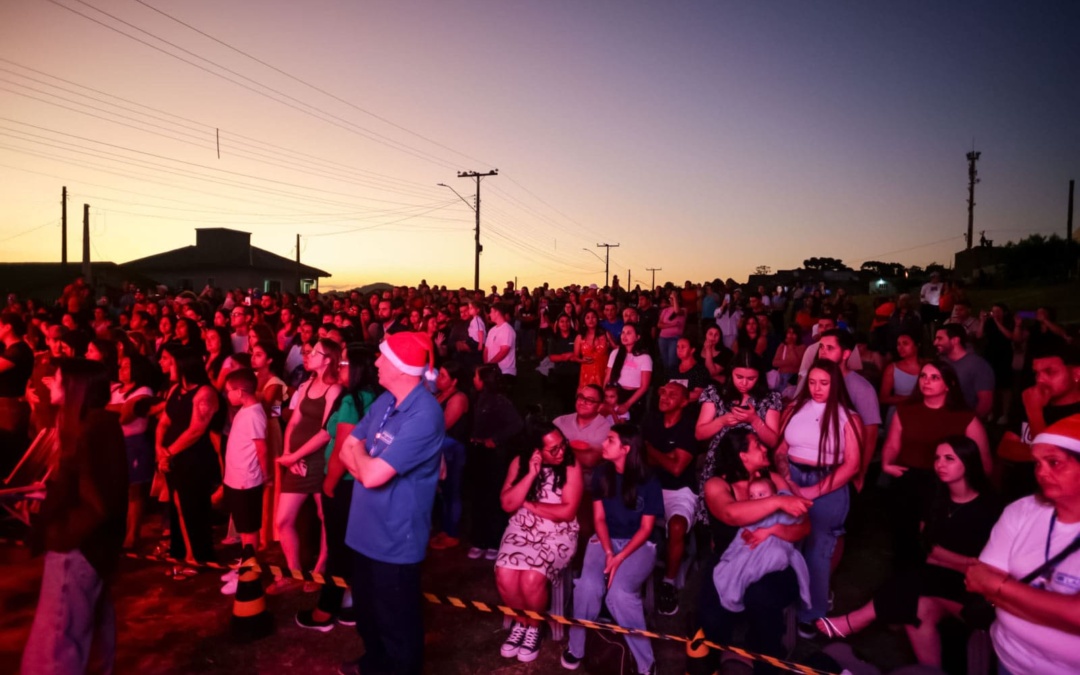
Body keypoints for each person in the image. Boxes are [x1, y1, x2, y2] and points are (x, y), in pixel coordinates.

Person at [818, 436, 1001, 667]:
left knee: (914, 579)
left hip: (976, 591)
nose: (939, 464)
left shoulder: (989, 507)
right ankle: (931, 671)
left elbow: (985, 568)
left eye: (949, 459)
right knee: (916, 607)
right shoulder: (936, 497)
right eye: (937, 458)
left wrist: (947, 560)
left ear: (968, 462)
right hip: (938, 580)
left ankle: (856, 620)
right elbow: (926, 545)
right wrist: (953, 560)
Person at [338, 331, 445, 675]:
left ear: (401, 368)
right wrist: (363, 459)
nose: (377, 363)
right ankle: (374, 664)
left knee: (397, 624)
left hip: (395, 540)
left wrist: (362, 458)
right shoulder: (386, 401)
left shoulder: (425, 414)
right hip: (364, 532)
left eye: (383, 357)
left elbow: (369, 476)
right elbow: (345, 450)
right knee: (368, 615)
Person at [22, 359, 128, 675]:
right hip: (91, 552)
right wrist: (53, 495)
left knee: (56, 646)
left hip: (77, 554)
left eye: (56, 378)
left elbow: (96, 504)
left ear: (75, 388)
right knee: (88, 636)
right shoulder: (96, 425)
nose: (49, 384)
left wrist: (60, 534)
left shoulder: (93, 430)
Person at [965, 416, 1080, 675]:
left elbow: (991, 583)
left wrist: (1000, 587)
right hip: (1009, 657)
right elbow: (980, 582)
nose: (1041, 472)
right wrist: (1064, 616)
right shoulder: (1023, 510)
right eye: (1037, 463)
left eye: (1054, 462)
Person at [697, 428, 811, 674]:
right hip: (730, 560)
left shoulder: (774, 480)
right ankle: (724, 659)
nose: (764, 448)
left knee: (761, 598)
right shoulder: (717, 484)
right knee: (710, 616)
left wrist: (777, 529)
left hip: (774, 559)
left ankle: (767, 663)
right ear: (742, 456)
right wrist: (779, 501)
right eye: (757, 444)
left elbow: (804, 526)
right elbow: (730, 514)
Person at [562, 424, 663, 675]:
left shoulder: (649, 480)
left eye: (610, 440)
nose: (603, 444)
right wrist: (609, 552)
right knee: (587, 587)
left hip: (640, 544)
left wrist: (620, 557)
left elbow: (646, 528)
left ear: (626, 449)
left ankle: (645, 664)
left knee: (619, 595)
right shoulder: (600, 474)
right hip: (605, 539)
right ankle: (577, 648)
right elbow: (599, 520)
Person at [774, 359, 861, 635]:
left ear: (835, 383)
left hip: (828, 481)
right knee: (784, 543)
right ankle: (779, 603)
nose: (817, 388)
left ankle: (811, 613)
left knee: (818, 548)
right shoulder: (795, 408)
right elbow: (780, 450)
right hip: (793, 476)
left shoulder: (848, 416)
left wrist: (814, 490)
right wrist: (787, 479)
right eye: (812, 382)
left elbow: (852, 464)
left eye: (824, 383)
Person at [297, 343, 380, 630]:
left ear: (357, 369)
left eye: (344, 364)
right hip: (361, 483)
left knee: (338, 549)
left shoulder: (351, 401)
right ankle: (357, 604)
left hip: (342, 484)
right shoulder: (375, 397)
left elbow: (344, 448)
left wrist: (329, 486)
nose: (339, 368)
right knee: (357, 547)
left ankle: (325, 612)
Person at [882, 360, 991, 570]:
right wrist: (887, 464)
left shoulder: (965, 418)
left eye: (934, 378)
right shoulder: (906, 410)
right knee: (904, 537)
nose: (926, 382)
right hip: (909, 478)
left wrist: (972, 493)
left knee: (936, 540)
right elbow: (893, 444)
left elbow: (983, 461)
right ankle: (902, 579)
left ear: (948, 384)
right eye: (923, 376)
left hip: (945, 484)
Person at [496, 421, 583, 662]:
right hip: (521, 529)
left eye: (562, 444)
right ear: (536, 451)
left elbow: (567, 512)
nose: (561, 451)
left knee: (532, 576)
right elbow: (506, 505)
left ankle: (535, 628)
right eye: (553, 449)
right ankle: (521, 623)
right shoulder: (520, 464)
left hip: (558, 533)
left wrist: (527, 504)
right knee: (505, 572)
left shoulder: (571, 465)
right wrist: (532, 475)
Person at [271, 337, 342, 594]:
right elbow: (293, 422)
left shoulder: (334, 389)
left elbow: (326, 432)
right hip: (298, 459)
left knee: (325, 516)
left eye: (315, 353)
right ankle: (293, 570)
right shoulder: (307, 384)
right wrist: (289, 453)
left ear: (327, 360)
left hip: (318, 458)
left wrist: (295, 456)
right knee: (283, 519)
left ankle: (321, 568)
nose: (308, 355)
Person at [695, 351, 783, 522]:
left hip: (755, 465)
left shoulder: (770, 398)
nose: (744, 383)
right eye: (739, 377)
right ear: (731, 372)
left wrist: (754, 420)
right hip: (720, 463)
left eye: (751, 379)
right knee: (720, 512)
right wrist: (722, 421)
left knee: (758, 513)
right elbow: (699, 433)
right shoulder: (716, 393)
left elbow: (772, 440)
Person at [156, 344, 222, 572]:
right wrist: (159, 449)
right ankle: (182, 550)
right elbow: (164, 421)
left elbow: (196, 429)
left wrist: (169, 452)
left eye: (169, 361)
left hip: (194, 459)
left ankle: (197, 555)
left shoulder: (205, 392)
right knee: (177, 504)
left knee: (192, 505)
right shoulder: (175, 390)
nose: (165, 365)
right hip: (172, 458)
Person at [712, 477, 811, 613]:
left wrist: (770, 530)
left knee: (777, 553)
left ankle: (747, 578)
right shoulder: (752, 511)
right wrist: (748, 535)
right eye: (752, 496)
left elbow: (799, 521)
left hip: (777, 545)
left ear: (773, 495)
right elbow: (745, 530)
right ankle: (740, 582)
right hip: (755, 548)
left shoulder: (779, 507)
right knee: (740, 561)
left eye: (761, 495)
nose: (757, 499)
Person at [643, 382, 699, 616]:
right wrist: (665, 457)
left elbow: (677, 469)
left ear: (685, 402)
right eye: (663, 391)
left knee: (676, 525)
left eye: (672, 394)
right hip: (651, 485)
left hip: (680, 490)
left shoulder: (689, 428)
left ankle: (668, 582)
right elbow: (641, 458)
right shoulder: (651, 421)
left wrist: (651, 450)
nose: (664, 396)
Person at [1001, 344, 1080, 501]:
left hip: (1058, 504)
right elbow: (1005, 448)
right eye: (1036, 373)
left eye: (1049, 372)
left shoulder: (1033, 403)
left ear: (1076, 374)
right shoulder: (1030, 398)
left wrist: (1034, 412)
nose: (1040, 380)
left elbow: (1049, 460)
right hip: (1018, 497)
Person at [218, 368, 270, 595]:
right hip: (236, 478)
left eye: (229, 391)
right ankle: (243, 566)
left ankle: (248, 575)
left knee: (249, 530)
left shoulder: (255, 414)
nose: (227, 395)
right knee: (243, 528)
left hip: (246, 481)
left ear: (240, 391)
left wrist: (266, 475)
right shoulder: (244, 410)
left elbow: (262, 449)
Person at [468, 364, 524, 560]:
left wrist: (496, 439)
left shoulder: (500, 402)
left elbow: (517, 424)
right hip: (477, 453)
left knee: (492, 498)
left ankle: (493, 542)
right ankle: (479, 541)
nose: (473, 380)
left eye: (476, 376)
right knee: (478, 498)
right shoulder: (477, 398)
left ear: (484, 380)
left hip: (493, 457)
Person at [817, 329, 881, 490]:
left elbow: (870, 434)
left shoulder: (862, 388)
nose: (823, 352)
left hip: (845, 465)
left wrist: (861, 472)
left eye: (830, 348)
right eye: (821, 347)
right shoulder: (814, 381)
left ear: (846, 354)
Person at [107, 354, 156, 549]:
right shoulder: (116, 389)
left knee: (134, 490)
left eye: (127, 366)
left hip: (134, 443)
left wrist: (110, 408)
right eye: (121, 366)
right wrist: (117, 407)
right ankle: (119, 531)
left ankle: (133, 534)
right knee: (117, 490)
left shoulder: (144, 390)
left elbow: (128, 415)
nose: (122, 370)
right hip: (115, 442)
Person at [430, 360, 470, 550]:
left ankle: (452, 533)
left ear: (454, 381)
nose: (438, 378)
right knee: (443, 492)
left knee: (452, 491)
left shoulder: (458, 398)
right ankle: (445, 530)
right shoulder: (440, 394)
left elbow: (443, 425)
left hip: (454, 451)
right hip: (441, 449)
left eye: (443, 376)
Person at [933, 324, 994, 419]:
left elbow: (985, 403)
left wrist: (968, 423)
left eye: (940, 339)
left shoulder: (978, 365)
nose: (935, 343)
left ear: (955, 340)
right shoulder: (942, 362)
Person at [0, 310, 33, 474]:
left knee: (9, 448)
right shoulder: (12, 350)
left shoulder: (18, 351)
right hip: (7, 407)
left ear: (7, 327)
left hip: (10, 408)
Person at [605, 323, 653, 422]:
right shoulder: (615, 353)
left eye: (629, 333)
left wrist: (627, 404)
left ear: (637, 337)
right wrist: (603, 396)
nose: (624, 336)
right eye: (623, 332)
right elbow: (607, 377)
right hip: (615, 394)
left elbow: (644, 386)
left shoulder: (644, 357)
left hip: (634, 397)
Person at [879, 329, 920, 431]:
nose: (900, 348)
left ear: (916, 345)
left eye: (905, 343)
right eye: (898, 344)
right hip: (899, 414)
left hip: (921, 414)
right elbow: (883, 398)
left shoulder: (928, 366)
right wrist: (912, 398)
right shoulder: (892, 368)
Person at [574, 309, 610, 390]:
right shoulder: (579, 337)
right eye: (587, 317)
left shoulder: (606, 334)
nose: (591, 320)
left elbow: (616, 349)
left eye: (593, 317)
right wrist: (582, 360)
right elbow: (575, 357)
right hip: (587, 372)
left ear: (597, 319)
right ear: (584, 320)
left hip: (603, 371)